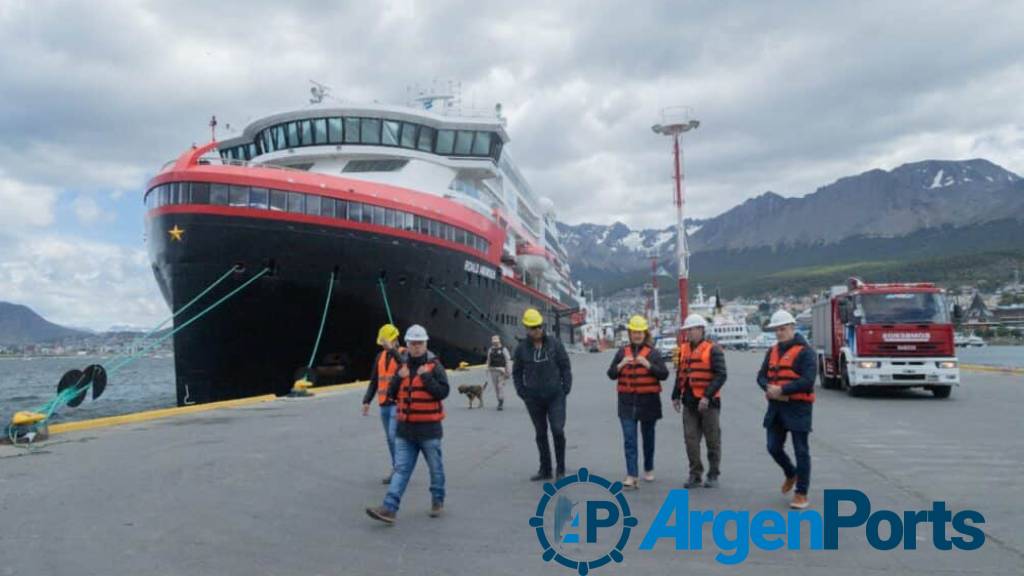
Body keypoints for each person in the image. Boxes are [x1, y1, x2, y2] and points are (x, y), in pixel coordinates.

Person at [366, 324, 450, 524]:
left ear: (425, 343)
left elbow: (443, 392)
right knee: (401, 469)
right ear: (408, 344)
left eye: (419, 343)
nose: (416, 347)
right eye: (413, 343)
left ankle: (437, 500)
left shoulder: (434, 366)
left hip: (429, 430)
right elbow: (392, 394)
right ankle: (389, 508)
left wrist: (426, 377)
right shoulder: (402, 367)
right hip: (406, 431)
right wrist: (397, 379)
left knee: (435, 469)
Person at [757, 310, 817, 510]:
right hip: (776, 407)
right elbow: (761, 376)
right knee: (773, 446)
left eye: (783, 329)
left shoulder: (806, 352)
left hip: (798, 407)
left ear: (792, 327)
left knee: (801, 450)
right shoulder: (772, 351)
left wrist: (783, 389)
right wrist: (768, 388)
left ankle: (801, 493)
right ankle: (791, 473)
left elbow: (808, 381)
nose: (779, 333)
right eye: (776, 330)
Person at [606, 315, 669, 489]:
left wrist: (648, 365)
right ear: (630, 333)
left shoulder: (653, 353)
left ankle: (648, 467)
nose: (637, 335)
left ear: (645, 333)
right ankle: (631, 475)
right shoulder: (621, 352)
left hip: (648, 402)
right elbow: (611, 374)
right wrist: (620, 365)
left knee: (648, 438)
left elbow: (664, 374)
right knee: (629, 439)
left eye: (640, 332)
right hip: (626, 403)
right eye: (634, 332)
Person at [513, 308, 573, 481]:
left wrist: (565, 388)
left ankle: (560, 469)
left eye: (538, 326)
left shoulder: (555, 343)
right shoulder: (521, 349)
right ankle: (545, 469)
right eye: (532, 327)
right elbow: (517, 372)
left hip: (555, 395)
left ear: (542, 326)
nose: (536, 330)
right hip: (533, 398)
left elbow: (565, 366)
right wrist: (521, 391)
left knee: (557, 430)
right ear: (527, 328)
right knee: (540, 433)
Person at [672, 314, 727, 489]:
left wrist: (707, 396)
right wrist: (675, 395)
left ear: (701, 330)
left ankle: (713, 474)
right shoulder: (684, 349)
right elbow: (680, 374)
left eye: (692, 329)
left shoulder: (713, 350)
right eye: (687, 330)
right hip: (689, 401)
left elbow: (721, 375)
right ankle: (695, 474)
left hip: (709, 403)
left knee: (712, 440)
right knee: (690, 440)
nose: (689, 332)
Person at [361, 324, 403, 484]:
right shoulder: (380, 357)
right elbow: (374, 381)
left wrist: (392, 349)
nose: (384, 345)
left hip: (397, 402)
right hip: (383, 404)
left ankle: (399, 469)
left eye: (386, 342)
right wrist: (366, 400)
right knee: (389, 438)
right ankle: (397, 467)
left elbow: (405, 364)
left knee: (393, 436)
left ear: (394, 339)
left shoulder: (403, 353)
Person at [486, 335, 512, 411]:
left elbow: (508, 360)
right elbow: (488, 359)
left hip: (502, 371)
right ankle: (499, 400)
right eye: (494, 342)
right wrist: (487, 368)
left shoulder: (504, 349)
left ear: (499, 341)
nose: (495, 343)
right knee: (496, 387)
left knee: (500, 386)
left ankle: (501, 401)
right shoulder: (490, 349)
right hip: (493, 370)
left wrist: (508, 372)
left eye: (496, 342)